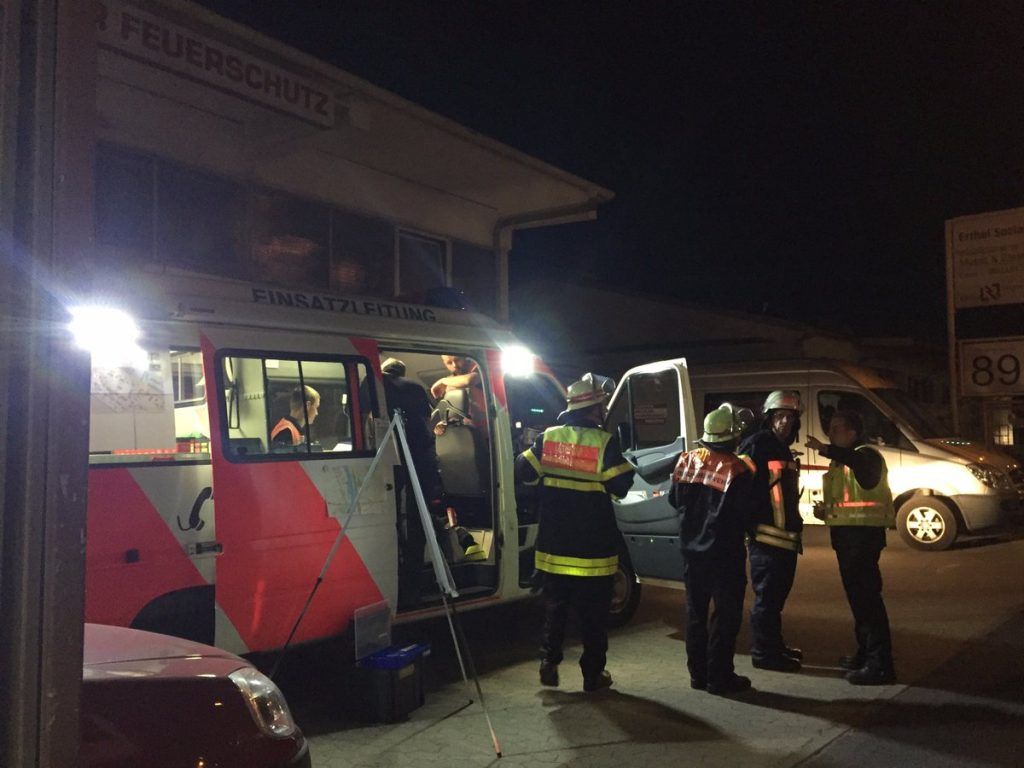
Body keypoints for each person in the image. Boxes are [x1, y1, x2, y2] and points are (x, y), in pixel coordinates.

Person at [514, 373, 634, 692]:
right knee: (593, 616)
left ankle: (549, 661)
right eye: (601, 407)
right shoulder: (604, 442)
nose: (603, 412)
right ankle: (592, 675)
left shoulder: (549, 438)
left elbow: (523, 471)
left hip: (554, 545)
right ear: (593, 409)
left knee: (555, 607)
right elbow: (622, 486)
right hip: (593, 549)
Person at [670, 404, 757, 696]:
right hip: (724, 554)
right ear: (733, 436)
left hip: (691, 553)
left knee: (696, 612)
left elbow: (674, 500)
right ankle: (720, 677)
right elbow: (746, 512)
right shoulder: (738, 469)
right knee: (725, 615)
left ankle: (698, 675)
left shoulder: (686, 460)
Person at [806, 410, 896, 685]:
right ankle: (866, 653)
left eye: (836, 428)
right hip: (848, 540)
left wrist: (825, 449)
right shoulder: (843, 461)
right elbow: (848, 501)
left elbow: (859, 466)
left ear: (853, 433)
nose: (830, 433)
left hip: (862, 541)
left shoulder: (866, 455)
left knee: (868, 602)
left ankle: (880, 665)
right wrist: (826, 512)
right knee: (859, 602)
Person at [738, 390, 804, 673]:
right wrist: (751, 523)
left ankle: (775, 646)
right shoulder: (757, 445)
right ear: (769, 418)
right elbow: (741, 487)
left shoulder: (781, 448)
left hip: (785, 538)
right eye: (779, 416)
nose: (784, 422)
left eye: (789, 417)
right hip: (766, 538)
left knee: (776, 600)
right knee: (767, 599)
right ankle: (764, 653)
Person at [430, 354, 486, 432]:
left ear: (464, 357)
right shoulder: (449, 382)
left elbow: (469, 380)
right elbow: (452, 412)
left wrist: (443, 381)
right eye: (449, 363)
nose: (454, 365)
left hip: (491, 425)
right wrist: (443, 424)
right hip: (468, 430)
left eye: (457, 360)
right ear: (444, 363)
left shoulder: (478, 366)